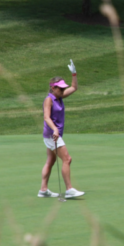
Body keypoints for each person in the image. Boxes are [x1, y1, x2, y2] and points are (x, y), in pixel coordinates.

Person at [39, 60, 85, 199]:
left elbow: (74, 87)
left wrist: (74, 74)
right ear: (53, 88)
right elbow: (46, 117)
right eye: (60, 88)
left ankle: (43, 190)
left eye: (63, 88)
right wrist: (55, 129)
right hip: (52, 135)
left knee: (50, 161)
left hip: (53, 134)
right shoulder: (49, 100)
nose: (63, 90)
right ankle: (69, 189)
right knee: (67, 159)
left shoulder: (60, 96)